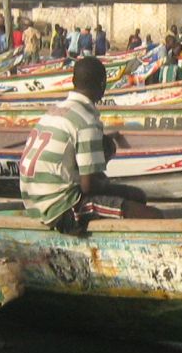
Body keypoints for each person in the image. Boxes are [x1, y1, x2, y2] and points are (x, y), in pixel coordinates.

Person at [18, 56, 160, 231]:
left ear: (73, 82)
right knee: (152, 214)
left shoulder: (55, 111)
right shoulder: (86, 120)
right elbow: (88, 186)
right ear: (102, 85)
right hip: (61, 208)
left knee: (134, 195)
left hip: (33, 200)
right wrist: (109, 187)